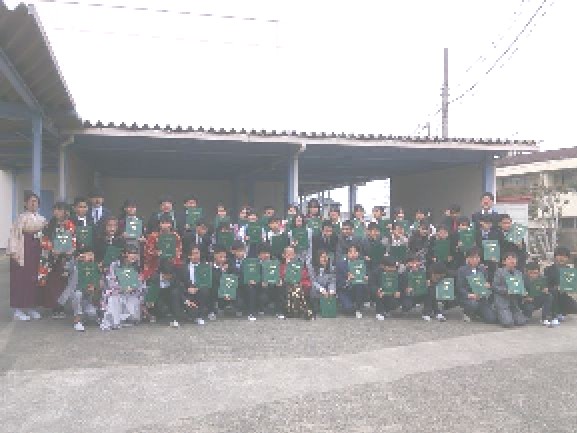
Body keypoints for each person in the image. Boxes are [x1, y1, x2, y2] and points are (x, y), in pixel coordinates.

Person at [8, 191, 47, 321]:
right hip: (23, 250)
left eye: (36, 201)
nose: (34, 204)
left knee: (34, 278)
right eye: (31, 201)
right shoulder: (21, 218)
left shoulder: (42, 219)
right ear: (25, 203)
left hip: (36, 250)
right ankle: (17, 310)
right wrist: (13, 252)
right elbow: (14, 235)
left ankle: (31, 307)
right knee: (20, 280)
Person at [38, 201, 76, 319]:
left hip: (65, 258)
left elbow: (74, 239)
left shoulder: (70, 224)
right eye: (55, 209)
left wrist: (71, 249)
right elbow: (43, 239)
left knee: (64, 283)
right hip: (52, 258)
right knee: (52, 283)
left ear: (66, 211)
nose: (56, 212)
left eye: (59, 209)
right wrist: (51, 249)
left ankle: (61, 306)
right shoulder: (50, 224)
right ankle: (54, 307)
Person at [101, 243, 145, 330]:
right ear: (124, 254)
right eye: (131, 253)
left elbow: (141, 284)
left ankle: (121, 319)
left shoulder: (137, 267)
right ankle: (113, 320)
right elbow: (111, 281)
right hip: (117, 293)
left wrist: (134, 287)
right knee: (113, 300)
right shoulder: (115, 265)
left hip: (131, 294)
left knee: (134, 317)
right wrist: (122, 288)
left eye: (135, 253)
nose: (134, 255)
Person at [57, 247, 101, 331]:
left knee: (92, 313)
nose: (91, 257)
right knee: (78, 294)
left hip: (87, 298)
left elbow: (99, 283)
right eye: (88, 255)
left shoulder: (95, 266)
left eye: (92, 255)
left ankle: (84, 317)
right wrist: (75, 259)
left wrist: (94, 288)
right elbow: (65, 268)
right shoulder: (75, 266)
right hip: (73, 296)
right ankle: (77, 320)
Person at [455, 247, 497, 324]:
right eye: (472, 257)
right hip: (468, 298)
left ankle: (478, 312)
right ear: (468, 259)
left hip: (481, 298)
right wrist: (469, 295)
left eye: (477, 257)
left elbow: (486, 283)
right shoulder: (462, 270)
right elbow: (459, 287)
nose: (475, 260)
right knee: (473, 304)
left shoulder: (483, 269)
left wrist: (488, 286)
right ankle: (467, 312)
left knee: (492, 319)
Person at [491, 251, 528, 328]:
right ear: (504, 262)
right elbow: (495, 286)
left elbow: (520, 287)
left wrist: (523, 292)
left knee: (521, 322)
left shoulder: (518, 273)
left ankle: (508, 314)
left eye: (514, 259)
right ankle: (497, 312)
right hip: (502, 300)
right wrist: (506, 290)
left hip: (513, 302)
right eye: (509, 259)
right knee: (508, 323)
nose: (512, 261)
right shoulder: (499, 272)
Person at [143, 213, 183, 280]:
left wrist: (172, 255)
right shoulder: (153, 236)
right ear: (159, 224)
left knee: (181, 269)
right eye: (163, 223)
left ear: (171, 224)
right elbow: (147, 251)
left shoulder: (176, 236)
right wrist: (157, 253)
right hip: (156, 263)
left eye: (167, 223)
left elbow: (179, 251)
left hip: (172, 262)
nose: (165, 225)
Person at [145, 260, 184, 328]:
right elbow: (150, 292)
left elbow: (178, 289)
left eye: (170, 275)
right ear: (162, 273)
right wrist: (150, 300)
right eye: (167, 275)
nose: (169, 277)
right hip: (156, 299)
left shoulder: (173, 277)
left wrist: (185, 300)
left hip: (169, 297)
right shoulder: (154, 278)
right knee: (161, 308)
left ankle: (176, 317)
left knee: (175, 292)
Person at [176, 244, 208, 325]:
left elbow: (206, 282)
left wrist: (197, 288)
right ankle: (179, 316)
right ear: (189, 256)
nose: (196, 256)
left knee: (205, 290)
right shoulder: (183, 267)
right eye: (194, 254)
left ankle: (199, 316)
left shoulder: (205, 266)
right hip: (187, 292)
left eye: (198, 253)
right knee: (176, 292)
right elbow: (179, 282)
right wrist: (187, 289)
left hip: (199, 291)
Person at [279, 245, 313, 320]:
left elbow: (306, 278)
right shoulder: (281, 266)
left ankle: (294, 311)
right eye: (288, 254)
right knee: (293, 288)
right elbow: (279, 277)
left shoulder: (300, 265)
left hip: (298, 286)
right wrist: (288, 267)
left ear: (295, 255)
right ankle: (305, 310)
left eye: (292, 254)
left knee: (297, 288)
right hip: (286, 286)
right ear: (283, 255)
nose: (290, 256)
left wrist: (300, 283)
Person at [544, 246, 577, 321]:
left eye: (565, 256)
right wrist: (556, 288)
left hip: (563, 295)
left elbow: (570, 286)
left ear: (568, 258)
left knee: (574, 307)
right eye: (559, 255)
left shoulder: (569, 270)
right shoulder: (548, 269)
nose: (562, 258)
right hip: (552, 294)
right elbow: (546, 286)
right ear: (555, 257)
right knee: (554, 294)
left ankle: (562, 311)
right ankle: (554, 313)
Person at [336, 244, 368, 318]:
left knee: (360, 285)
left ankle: (358, 308)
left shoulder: (363, 263)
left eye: (355, 252)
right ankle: (349, 305)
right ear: (347, 254)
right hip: (344, 290)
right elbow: (338, 283)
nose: (353, 254)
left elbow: (369, 277)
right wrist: (347, 279)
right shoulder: (340, 264)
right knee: (349, 309)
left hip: (357, 289)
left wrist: (366, 278)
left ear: (358, 253)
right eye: (350, 252)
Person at [522, 261, 556, 327]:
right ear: (526, 272)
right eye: (530, 273)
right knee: (528, 309)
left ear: (539, 272)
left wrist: (546, 290)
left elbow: (546, 289)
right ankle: (525, 315)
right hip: (525, 302)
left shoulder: (542, 279)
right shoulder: (521, 279)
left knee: (549, 296)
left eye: (535, 273)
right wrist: (525, 298)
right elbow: (517, 293)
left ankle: (545, 317)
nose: (533, 275)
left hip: (536, 300)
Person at [308, 249, 337, 316]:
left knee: (332, 291)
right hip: (316, 291)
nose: (325, 259)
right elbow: (313, 281)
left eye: (326, 257)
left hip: (327, 291)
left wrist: (331, 290)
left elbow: (332, 281)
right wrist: (322, 290)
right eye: (322, 257)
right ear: (318, 258)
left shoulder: (331, 268)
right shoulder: (311, 268)